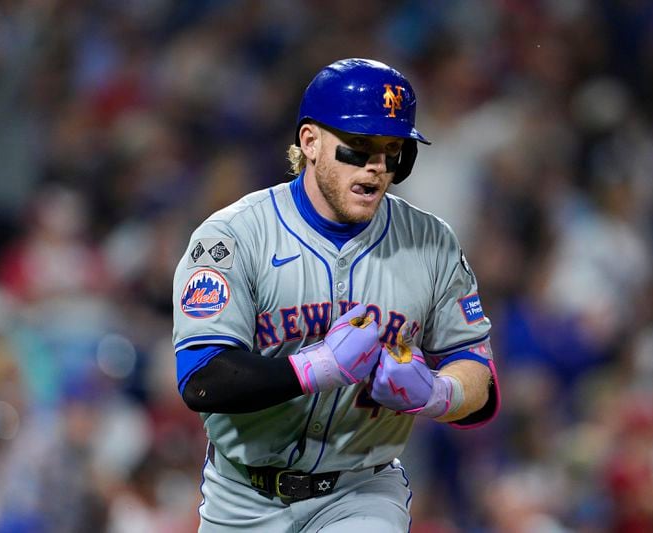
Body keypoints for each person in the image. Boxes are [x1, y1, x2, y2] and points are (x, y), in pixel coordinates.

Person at [172, 58, 500, 532]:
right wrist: (317, 367)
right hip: (243, 495)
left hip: (362, 491)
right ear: (310, 141)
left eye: (393, 151)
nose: (377, 166)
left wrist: (436, 392)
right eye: (360, 146)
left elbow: (479, 376)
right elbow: (203, 378)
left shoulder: (432, 243)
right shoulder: (233, 237)